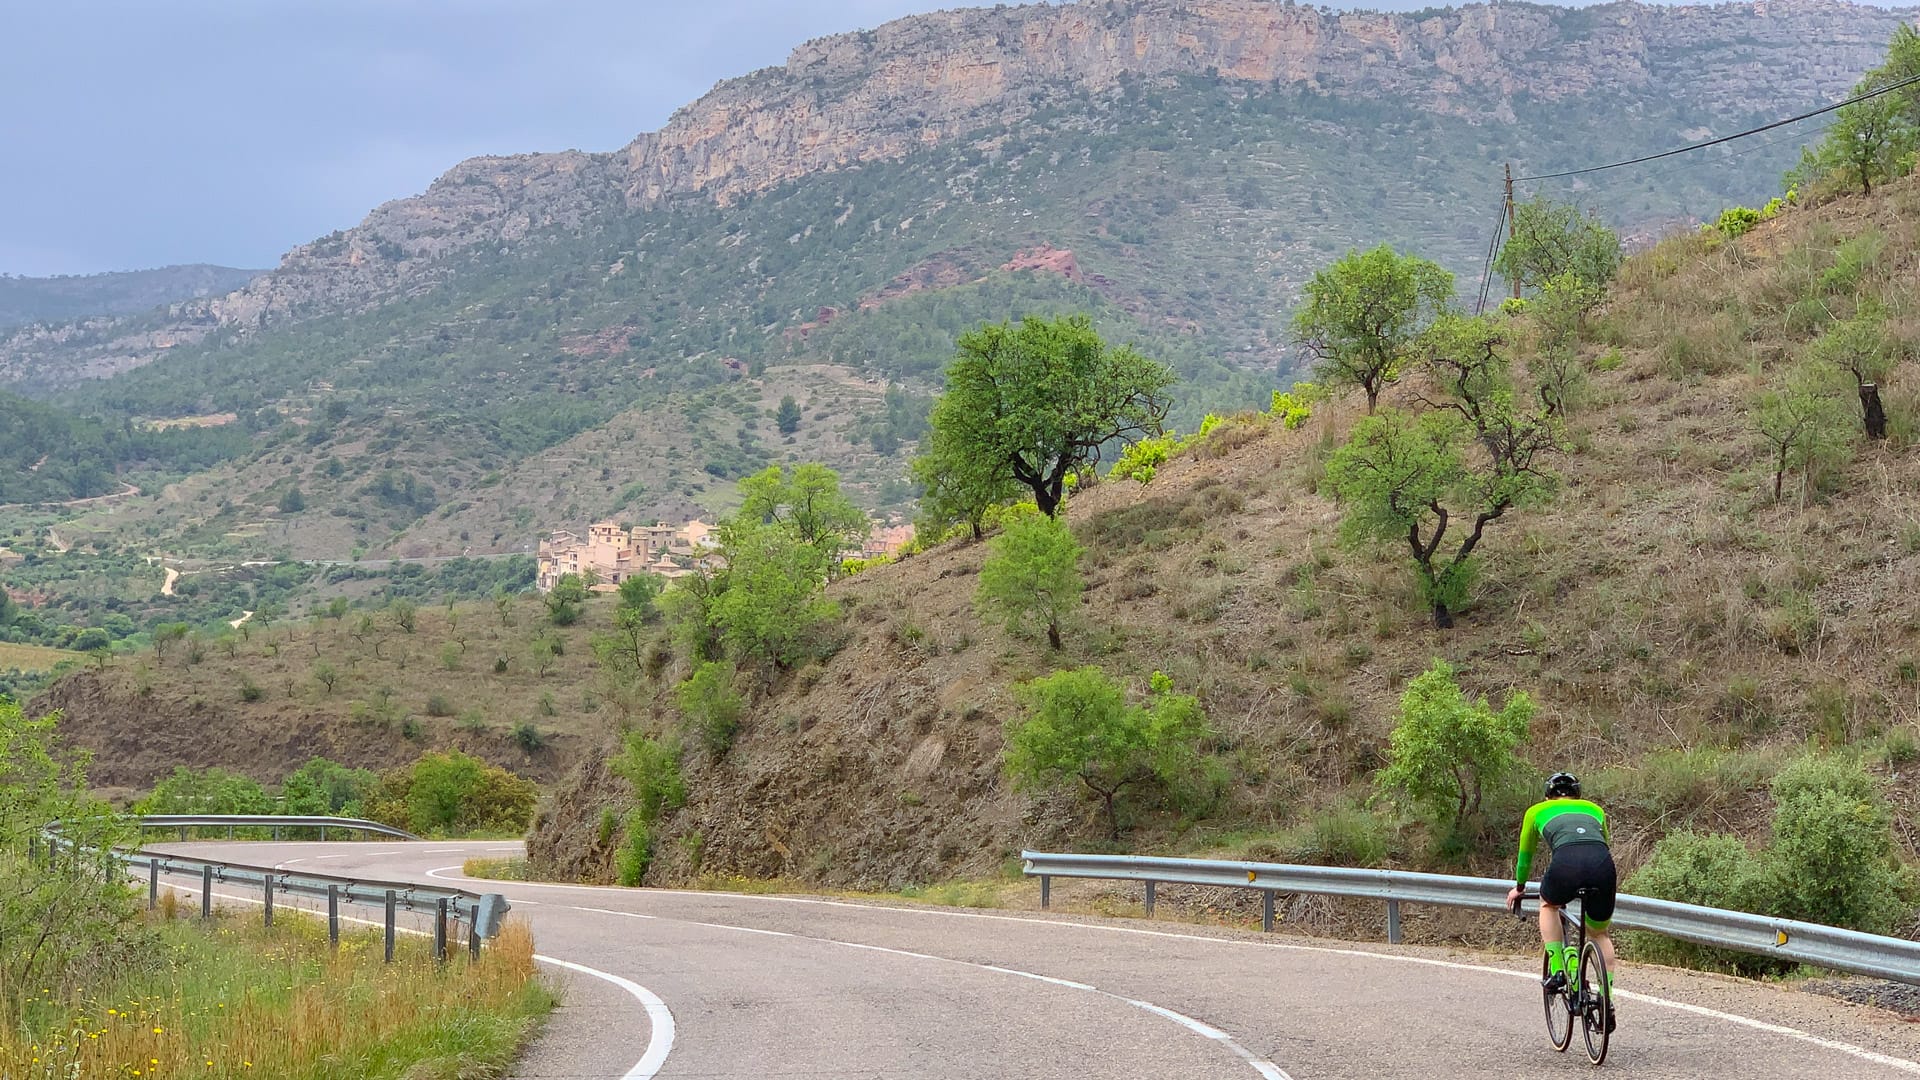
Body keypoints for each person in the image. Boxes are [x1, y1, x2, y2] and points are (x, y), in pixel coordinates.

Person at [1505, 772, 1617, 1024]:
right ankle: (1607, 998)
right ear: (1578, 795)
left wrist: (1520, 887)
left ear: (1548, 796)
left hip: (1565, 864)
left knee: (1549, 904)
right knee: (1599, 934)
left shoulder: (1536, 811)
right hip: (1602, 865)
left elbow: (1525, 856)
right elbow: (1603, 843)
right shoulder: (1594, 809)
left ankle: (1557, 969)